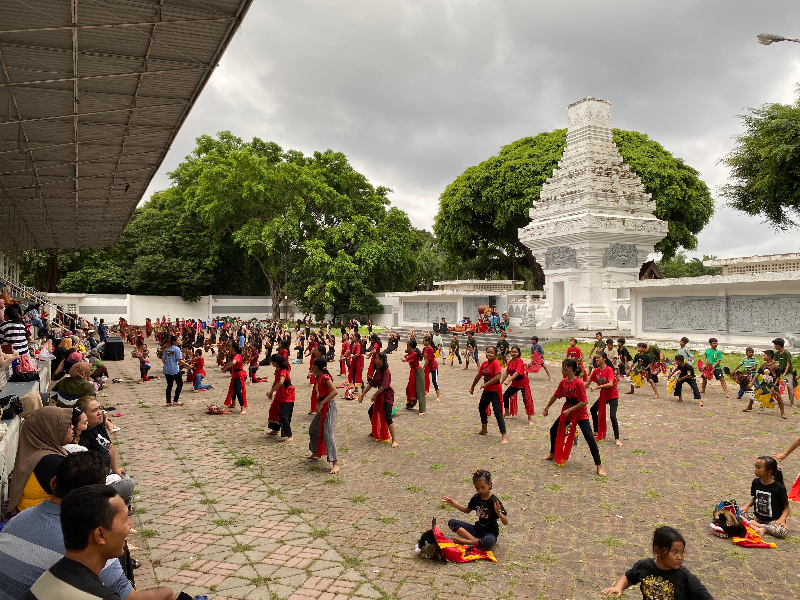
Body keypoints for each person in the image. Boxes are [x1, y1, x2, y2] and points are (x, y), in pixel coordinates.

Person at [0, 453, 174, 600]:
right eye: (124, 521)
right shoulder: (91, 547)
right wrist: (167, 593)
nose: (130, 526)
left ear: (53, 483)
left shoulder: (18, 519)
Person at [25, 485, 173, 600]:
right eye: (124, 520)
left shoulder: (46, 579)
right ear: (100, 534)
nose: (130, 525)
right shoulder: (101, 597)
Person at [601, 526, 712, 599]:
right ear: (657, 551)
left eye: (682, 552)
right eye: (675, 552)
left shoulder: (685, 576)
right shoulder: (645, 566)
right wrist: (618, 587)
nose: (680, 557)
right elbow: (629, 576)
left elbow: (705, 596)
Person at [541, 358, 607, 477]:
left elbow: (584, 402)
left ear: (570, 368)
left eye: (563, 367)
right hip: (568, 411)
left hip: (580, 413)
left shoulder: (579, 383)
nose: (561, 369)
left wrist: (569, 410)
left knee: (589, 438)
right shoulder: (563, 382)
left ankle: (599, 466)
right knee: (553, 430)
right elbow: (556, 395)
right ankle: (552, 453)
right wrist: (546, 408)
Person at [8, 406, 72, 513]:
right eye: (66, 425)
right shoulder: (51, 462)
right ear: (50, 430)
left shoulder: (33, 452)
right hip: (43, 522)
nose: (72, 428)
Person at [75, 397, 135, 509]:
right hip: (94, 482)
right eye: (94, 411)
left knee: (124, 478)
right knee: (128, 484)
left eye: (100, 408)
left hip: (105, 474)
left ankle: (122, 509)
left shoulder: (99, 422)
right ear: (84, 415)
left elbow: (109, 446)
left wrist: (115, 469)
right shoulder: (82, 434)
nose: (99, 413)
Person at [441, 469, 507, 551]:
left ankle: (467, 541)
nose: (480, 490)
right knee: (452, 523)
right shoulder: (476, 498)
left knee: (488, 542)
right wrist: (454, 504)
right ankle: (474, 541)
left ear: (490, 484)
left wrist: (499, 513)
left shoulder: (494, 501)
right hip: (477, 528)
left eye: (483, 487)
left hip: (490, 532)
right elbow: (467, 510)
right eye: (477, 488)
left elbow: (506, 522)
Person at [739, 456, 789, 539]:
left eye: (758, 467)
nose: (755, 469)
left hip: (772, 520)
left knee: (781, 531)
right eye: (755, 466)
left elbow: (787, 507)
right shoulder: (756, 482)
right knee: (737, 516)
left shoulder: (779, 488)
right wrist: (746, 506)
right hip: (757, 517)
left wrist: (782, 519)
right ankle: (758, 528)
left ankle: (757, 526)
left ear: (769, 472)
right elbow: (755, 498)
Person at [359, 352, 398, 447]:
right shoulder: (378, 371)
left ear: (381, 360)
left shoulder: (386, 372)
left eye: (376, 358)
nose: (374, 360)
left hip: (387, 396)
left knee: (387, 416)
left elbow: (384, 386)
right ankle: (375, 430)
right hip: (380, 395)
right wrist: (363, 394)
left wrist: (374, 395)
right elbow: (372, 383)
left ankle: (394, 440)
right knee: (371, 411)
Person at [307, 356, 339, 474]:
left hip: (329, 406)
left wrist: (321, 403)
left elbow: (335, 391)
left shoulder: (325, 377)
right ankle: (315, 451)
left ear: (316, 367)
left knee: (328, 433)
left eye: (313, 366)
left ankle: (335, 463)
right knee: (313, 428)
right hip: (322, 406)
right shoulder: (319, 376)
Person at [470, 346, 508, 444]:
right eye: (488, 352)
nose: (489, 354)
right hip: (487, 390)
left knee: (497, 412)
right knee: (481, 408)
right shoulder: (484, 364)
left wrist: (485, 384)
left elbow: (498, 377)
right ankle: (484, 429)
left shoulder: (496, 364)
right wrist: (472, 387)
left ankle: (504, 436)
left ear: (495, 355)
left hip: (495, 390)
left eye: (492, 353)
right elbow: (478, 376)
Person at [587, 351, 621, 446]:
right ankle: (597, 431)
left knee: (612, 416)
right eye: (596, 358)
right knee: (593, 410)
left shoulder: (609, 369)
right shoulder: (596, 371)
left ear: (604, 359)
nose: (597, 360)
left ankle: (617, 438)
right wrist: (579, 390)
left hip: (612, 395)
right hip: (603, 396)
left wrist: (597, 387)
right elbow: (588, 382)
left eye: (599, 358)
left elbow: (610, 384)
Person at [500, 346, 534, 425]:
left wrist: (508, 380)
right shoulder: (511, 361)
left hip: (522, 383)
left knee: (526, 400)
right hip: (515, 383)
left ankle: (529, 419)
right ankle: (507, 412)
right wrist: (501, 383)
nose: (513, 353)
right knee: (505, 396)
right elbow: (506, 373)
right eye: (512, 352)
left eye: (515, 352)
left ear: (518, 353)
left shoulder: (519, 361)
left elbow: (518, 372)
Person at [266, 353, 294, 442]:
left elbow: (281, 382)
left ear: (275, 362)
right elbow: (276, 381)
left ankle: (289, 435)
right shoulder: (277, 370)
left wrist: (272, 391)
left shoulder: (283, 370)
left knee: (284, 414)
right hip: (281, 392)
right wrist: (271, 391)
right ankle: (275, 429)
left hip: (287, 393)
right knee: (274, 409)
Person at [161, 335, 189, 407]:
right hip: (174, 369)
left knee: (169, 385)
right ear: (174, 342)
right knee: (180, 384)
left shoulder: (168, 349)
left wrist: (167, 363)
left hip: (167, 369)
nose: (179, 341)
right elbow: (179, 360)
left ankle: (168, 401)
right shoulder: (177, 349)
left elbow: (163, 359)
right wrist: (187, 365)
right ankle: (175, 400)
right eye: (178, 340)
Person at [221, 341, 247, 415]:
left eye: (230, 347)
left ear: (233, 348)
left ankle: (243, 408)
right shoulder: (234, 355)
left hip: (240, 374)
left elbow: (233, 363)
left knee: (238, 390)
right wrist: (225, 368)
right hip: (235, 374)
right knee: (233, 388)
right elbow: (230, 362)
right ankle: (233, 403)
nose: (229, 348)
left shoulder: (237, 356)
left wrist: (226, 368)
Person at [401, 340, 426, 415]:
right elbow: (407, 356)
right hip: (413, 372)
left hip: (418, 372)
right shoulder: (411, 352)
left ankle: (422, 410)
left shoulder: (414, 354)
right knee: (410, 389)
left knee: (419, 390)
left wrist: (404, 358)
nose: (407, 347)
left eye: (408, 346)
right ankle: (410, 405)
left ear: (411, 346)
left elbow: (405, 359)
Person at [773, 338, 796, 406]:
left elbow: (788, 364)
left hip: (788, 372)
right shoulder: (777, 353)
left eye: (775, 345)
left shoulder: (786, 353)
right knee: (775, 385)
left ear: (778, 345)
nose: (774, 346)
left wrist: (784, 374)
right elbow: (774, 361)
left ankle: (791, 402)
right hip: (780, 372)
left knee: (789, 387)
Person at [422, 336, 441, 402]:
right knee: (424, 379)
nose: (423, 342)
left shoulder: (431, 349)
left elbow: (428, 360)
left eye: (424, 341)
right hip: (427, 366)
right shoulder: (424, 349)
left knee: (434, 381)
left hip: (433, 366)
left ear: (427, 342)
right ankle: (424, 392)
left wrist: (423, 367)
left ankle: (438, 396)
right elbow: (421, 356)